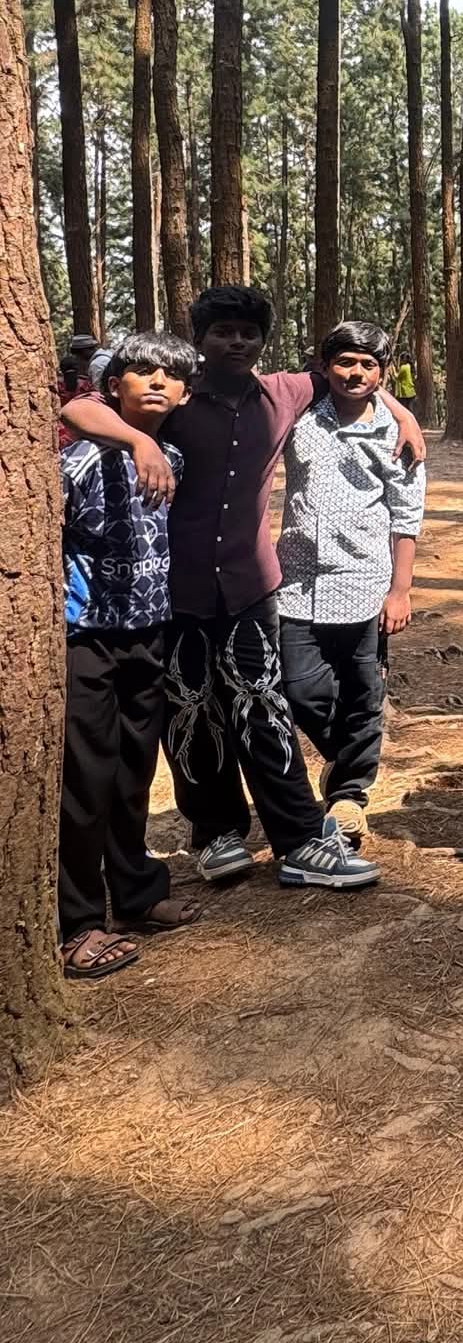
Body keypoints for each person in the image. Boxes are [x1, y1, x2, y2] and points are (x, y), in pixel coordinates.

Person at [60, 284, 422, 891]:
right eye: (222, 332)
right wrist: (142, 440)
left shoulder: (284, 393)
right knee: (191, 711)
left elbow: (351, 376)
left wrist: (401, 411)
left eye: (248, 333)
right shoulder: (176, 394)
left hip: (252, 588)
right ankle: (216, 833)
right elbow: (78, 410)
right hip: (176, 592)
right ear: (200, 339)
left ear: (262, 341)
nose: (236, 342)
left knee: (265, 709)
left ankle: (300, 841)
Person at [57, 331, 203, 979]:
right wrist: (137, 442)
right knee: (84, 782)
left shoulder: (176, 456)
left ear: (185, 394)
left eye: (170, 375)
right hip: (86, 638)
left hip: (149, 633)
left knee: (133, 774)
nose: (156, 382)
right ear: (113, 386)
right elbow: (71, 410)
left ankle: (137, 892)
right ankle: (78, 923)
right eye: (141, 372)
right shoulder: (81, 458)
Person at [275, 321, 425, 849]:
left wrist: (400, 590)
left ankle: (348, 796)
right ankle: (345, 756)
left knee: (364, 690)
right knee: (298, 687)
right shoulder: (299, 417)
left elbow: (406, 516)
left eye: (368, 364)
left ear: (382, 372)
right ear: (324, 365)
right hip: (296, 582)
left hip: (365, 582)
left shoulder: (396, 435)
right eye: (344, 361)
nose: (356, 372)